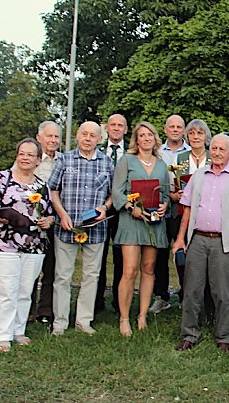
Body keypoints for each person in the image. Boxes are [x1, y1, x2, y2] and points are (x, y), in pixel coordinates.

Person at [173, 134, 229, 352]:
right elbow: (187, 209)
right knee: (192, 291)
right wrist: (181, 239)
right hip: (198, 240)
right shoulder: (198, 175)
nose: (218, 152)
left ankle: (224, 337)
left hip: (224, 242)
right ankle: (189, 334)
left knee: (222, 293)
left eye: (222, 149)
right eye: (215, 148)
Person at [0, 138, 55, 351]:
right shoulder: (2, 179)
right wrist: (0, 216)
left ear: (38, 160)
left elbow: (50, 214)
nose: (25, 158)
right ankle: (2, 335)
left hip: (34, 245)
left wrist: (48, 221)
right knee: (7, 290)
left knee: (25, 290)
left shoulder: (42, 186)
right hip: (5, 244)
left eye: (30, 155)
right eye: (22, 153)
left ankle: (18, 330)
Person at [48, 121, 114, 336]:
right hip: (66, 227)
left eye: (92, 135)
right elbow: (53, 190)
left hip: (95, 229)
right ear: (77, 136)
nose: (88, 138)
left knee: (91, 276)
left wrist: (105, 207)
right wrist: (62, 214)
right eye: (84, 134)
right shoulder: (65, 160)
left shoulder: (107, 163)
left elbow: (114, 193)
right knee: (63, 276)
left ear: (99, 139)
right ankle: (60, 322)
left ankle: (83, 321)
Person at [112, 122, 170, 336]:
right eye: (142, 136)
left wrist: (165, 204)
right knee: (129, 270)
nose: (146, 139)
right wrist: (130, 207)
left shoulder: (162, 165)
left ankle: (142, 315)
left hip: (154, 223)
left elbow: (165, 194)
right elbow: (117, 191)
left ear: (155, 139)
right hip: (131, 221)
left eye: (149, 135)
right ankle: (124, 318)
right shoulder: (126, 161)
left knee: (148, 268)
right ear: (136, 140)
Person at [172, 119, 215, 320]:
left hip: (207, 217)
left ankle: (209, 305)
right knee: (184, 260)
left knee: (207, 263)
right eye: (192, 134)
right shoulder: (179, 158)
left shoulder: (213, 158)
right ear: (186, 137)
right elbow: (171, 189)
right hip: (182, 215)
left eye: (199, 133)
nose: (196, 137)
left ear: (206, 137)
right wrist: (175, 195)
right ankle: (186, 298)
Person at [150, 115, 190, 314]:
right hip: (163, 209)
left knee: (184, 255)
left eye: (179, 126)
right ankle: (161, 296)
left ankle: (186, 295)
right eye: (171, 126)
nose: (175, 129)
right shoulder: (157, 152)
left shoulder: (191, 153)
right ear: (165, 129)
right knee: (160, 254)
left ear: (184, 130)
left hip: (184, 212)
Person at [28, 121, 61, 324]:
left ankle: (46, 311)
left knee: (51, 268)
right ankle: (27, 309)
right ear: (39, 138)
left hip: (54, 221)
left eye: (56, 137)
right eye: (49, 136)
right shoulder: (30, 159)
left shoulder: (64, 161)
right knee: (30, 270)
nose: (53, 140)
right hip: (31, 223)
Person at [96, 113, 127, 313]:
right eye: (112, 125)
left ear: (125, 129)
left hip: (122, 210)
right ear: (106, 128)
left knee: (121, 258)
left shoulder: (132, 153)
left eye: (120, 125)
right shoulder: (98, 150)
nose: (116, 128)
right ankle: (96, 300)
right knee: (97, 255)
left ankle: (119, 301)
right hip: (99, 208)